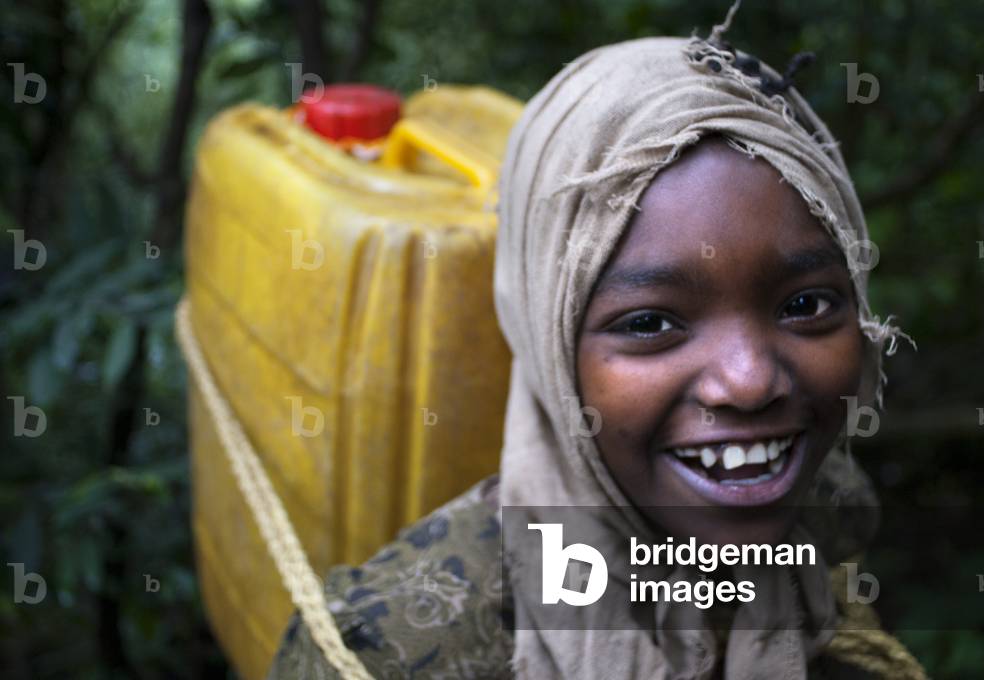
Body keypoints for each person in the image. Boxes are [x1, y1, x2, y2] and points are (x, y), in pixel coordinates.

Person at [267, 28, 926, 680]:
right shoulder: (384, 654)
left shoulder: (829, 505)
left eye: (805, 306)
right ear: (546, 338)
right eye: (650, 323)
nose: (750, 382)